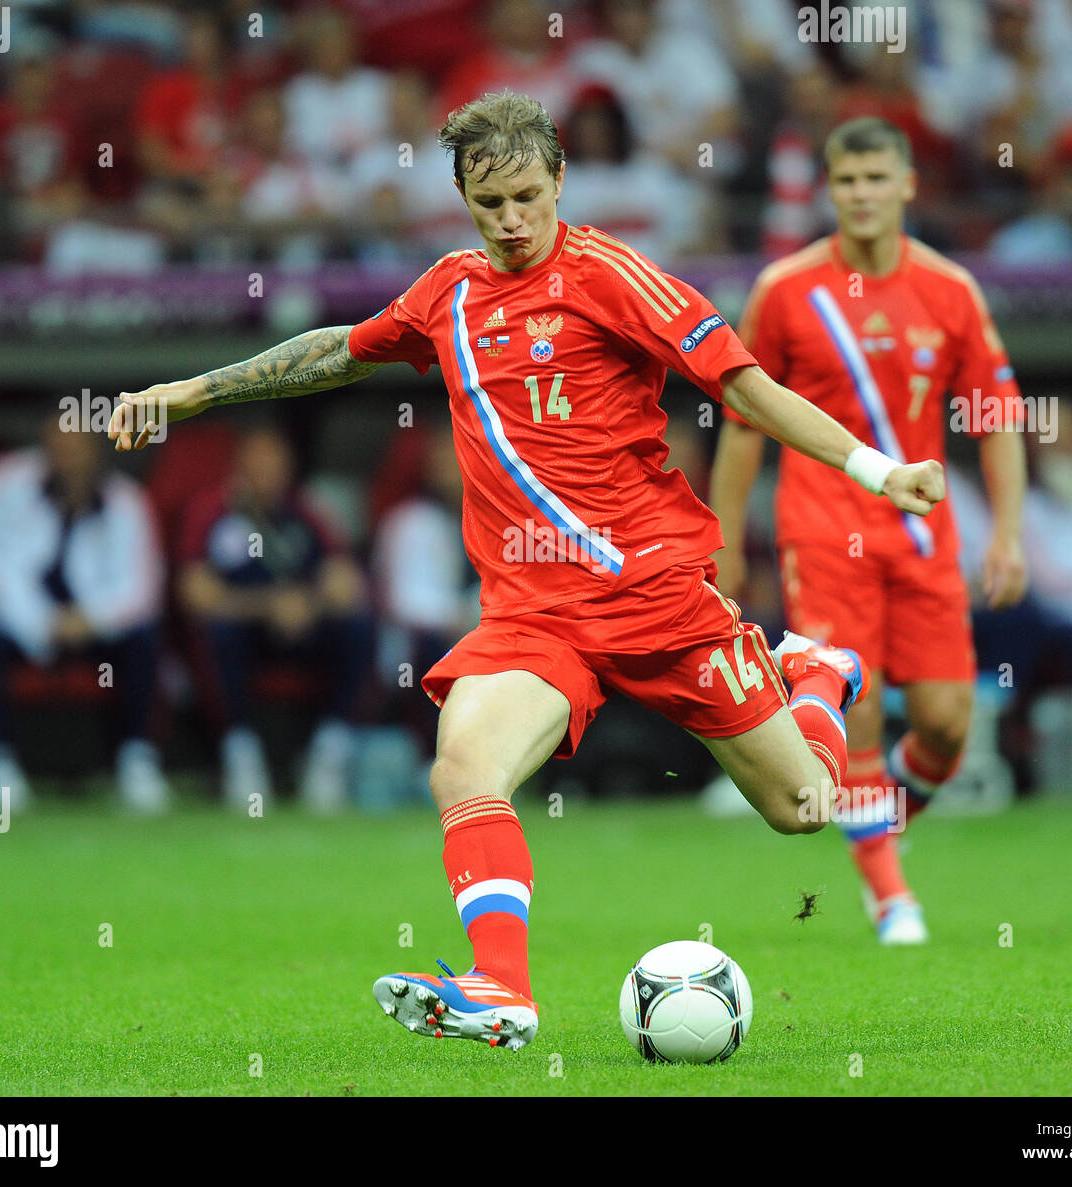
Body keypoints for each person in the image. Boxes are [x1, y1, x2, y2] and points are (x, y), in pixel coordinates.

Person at [109, 92, 945, 1050]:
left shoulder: (617, 277)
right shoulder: (448, 292)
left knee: (805, 809)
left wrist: (879, 471)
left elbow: (745, 387)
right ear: (462, 194)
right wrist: (194, 390)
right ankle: (502, 987)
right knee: (464, 761)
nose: (508, 222)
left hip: (658, 598)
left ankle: (819, 676)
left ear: (558, 181)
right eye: (486, 202)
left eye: (523, 198)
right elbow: (341, 352)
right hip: (533, 614)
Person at [710, 117, 1028, 946]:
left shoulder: (951, 289)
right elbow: (744, 422)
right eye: (847, 181)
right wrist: (724, 539)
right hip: (820, 532)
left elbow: (995, 415)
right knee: (857, 715)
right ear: (829, 188)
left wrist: (1010, 535)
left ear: (908, 185)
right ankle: (892, 897)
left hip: (923, 533)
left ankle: (878, 823)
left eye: (876, 179)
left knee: (948, 724)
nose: (862, 195)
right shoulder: (785, 289)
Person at [0, 418, 169, 812]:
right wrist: (35, 617)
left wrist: (91, 618)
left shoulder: (126, 500)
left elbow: (142, 586)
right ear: (44, 450)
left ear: (96, 452)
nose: (67, 460)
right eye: (59, 450)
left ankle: (137, 759)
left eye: (76, 450)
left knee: (145, 637)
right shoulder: (4, 481)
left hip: (92, 626)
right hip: (18, 618)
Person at [177, 425, 373, 811]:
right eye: (257, 464)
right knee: (218, 633)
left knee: (358, 627)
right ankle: (241, 755)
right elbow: (195, 595)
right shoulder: (211, 513)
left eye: (275, 464)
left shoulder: (305, 512)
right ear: (238, 468)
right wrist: (270, 604)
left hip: (303, 630)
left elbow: (347, 585)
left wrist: (307, 603)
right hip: (244, 630)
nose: (266, 474)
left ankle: (329, 753)